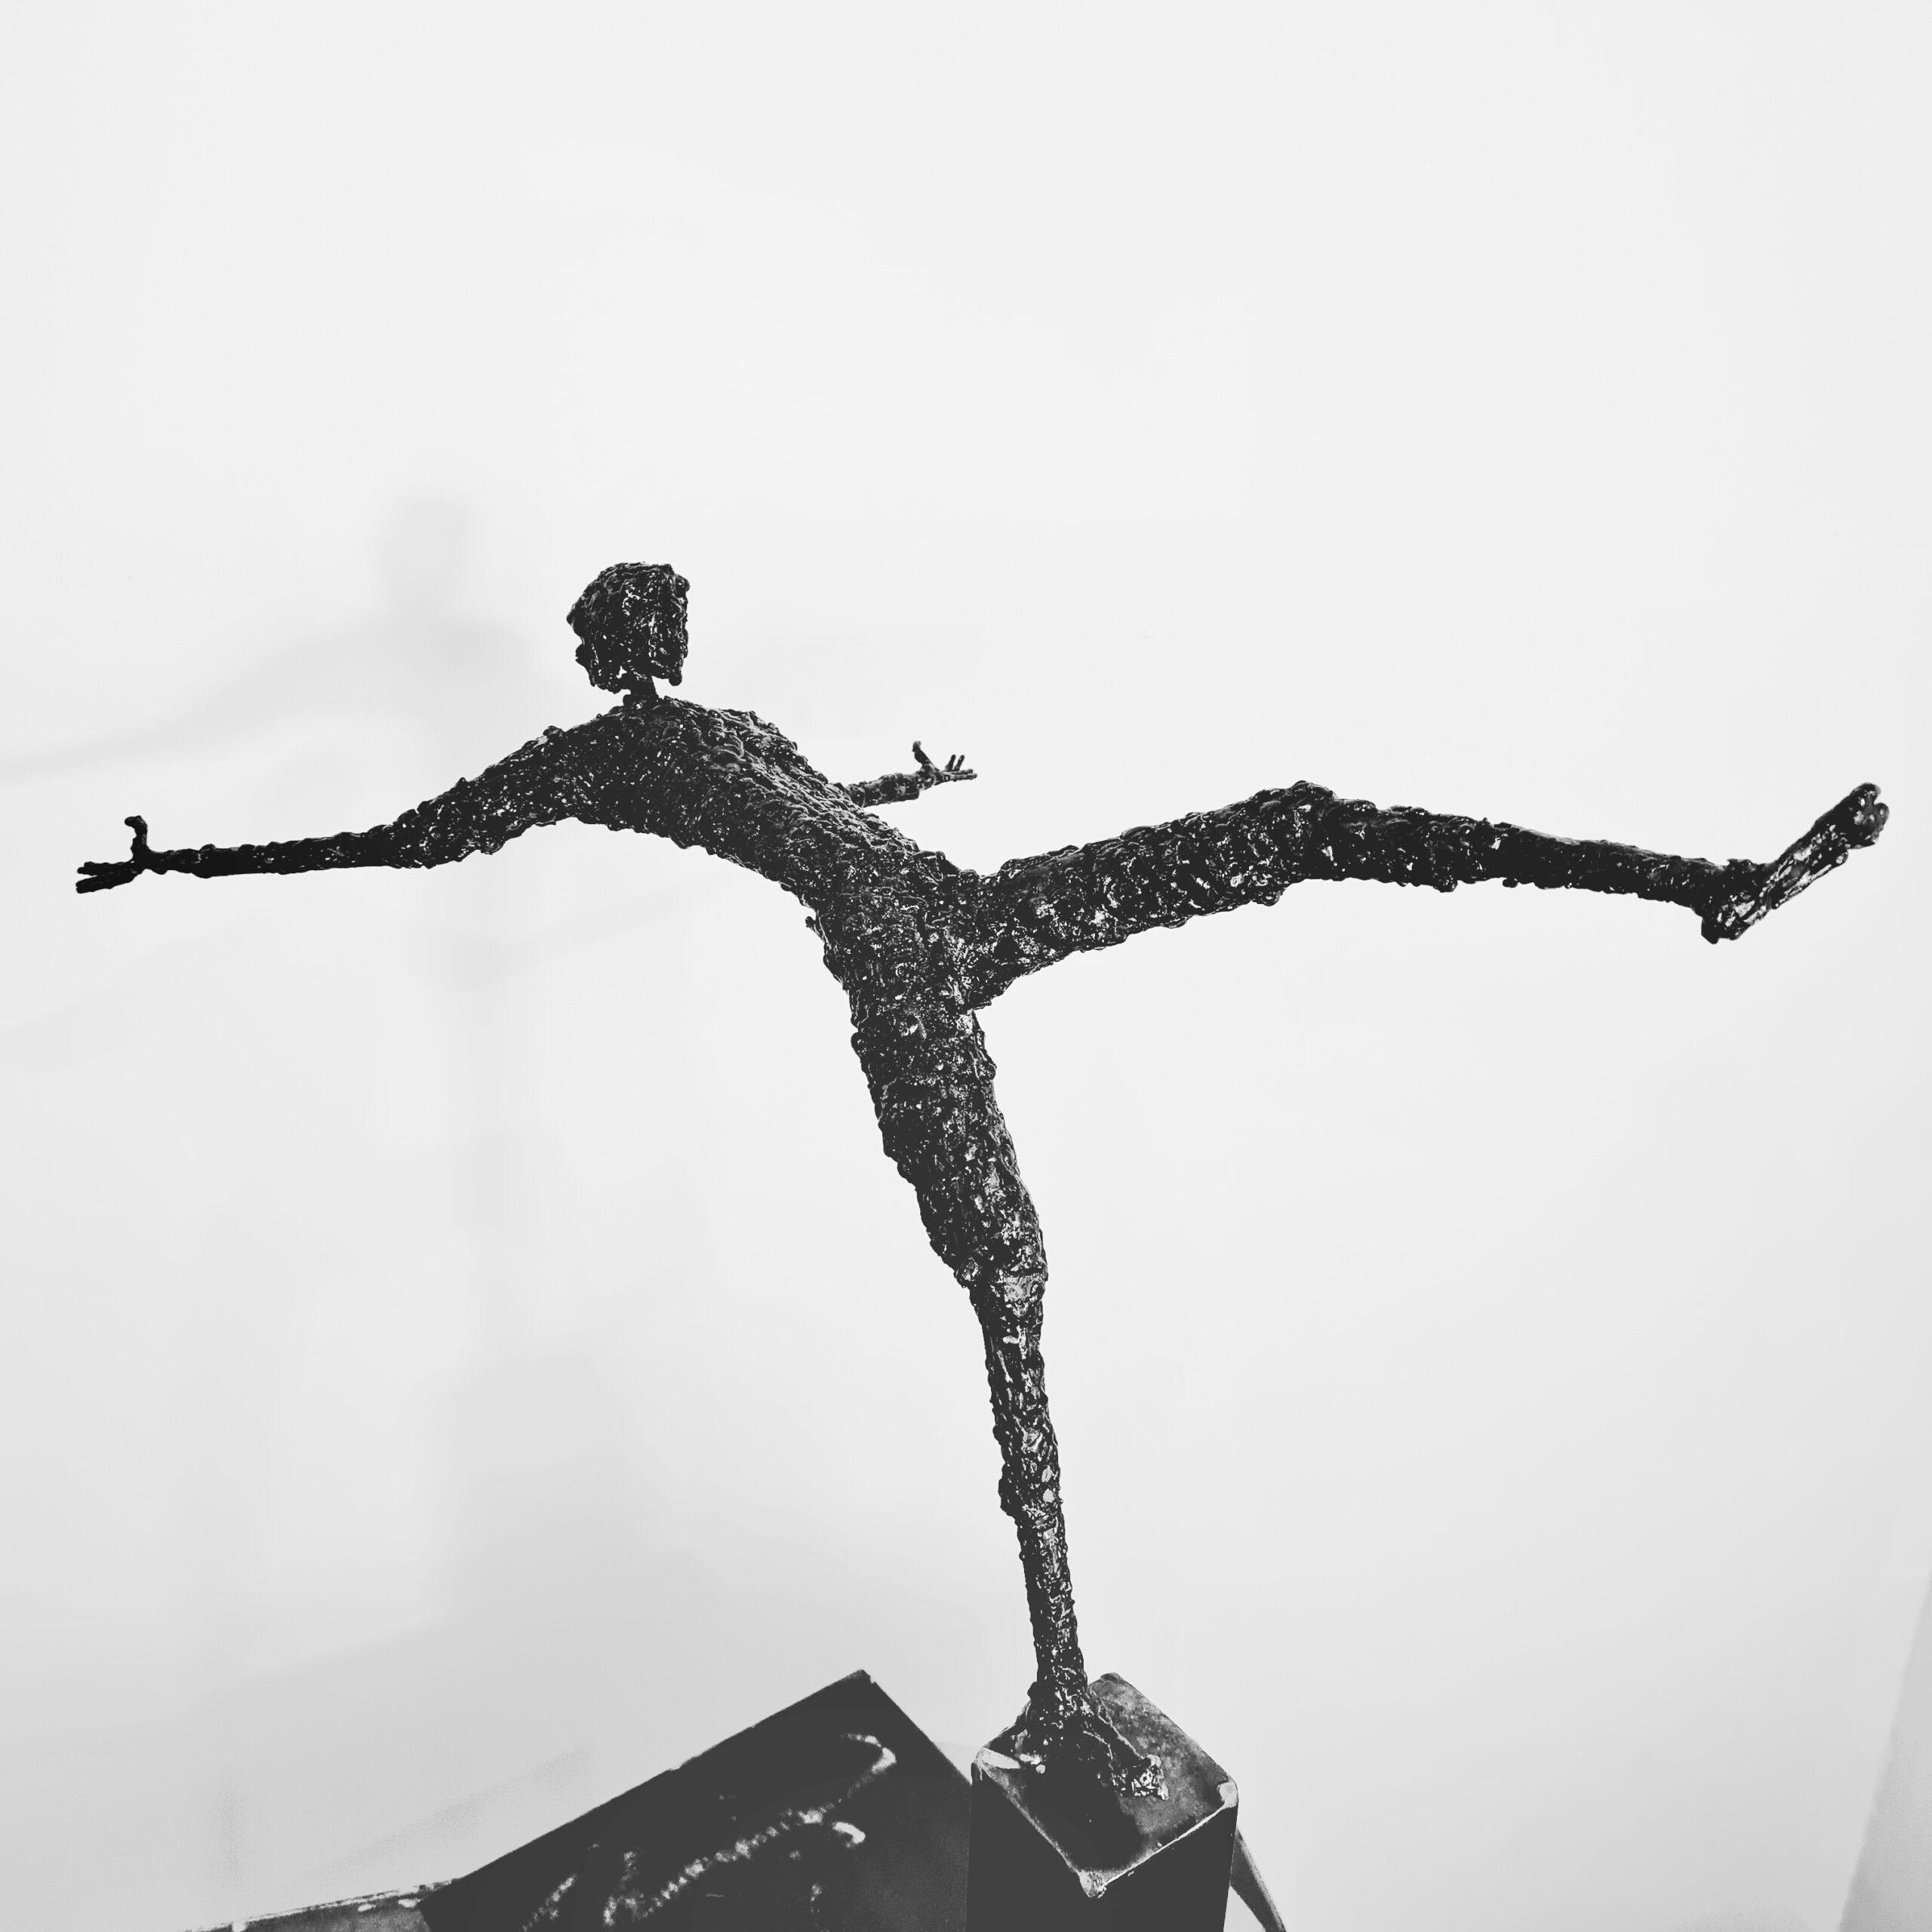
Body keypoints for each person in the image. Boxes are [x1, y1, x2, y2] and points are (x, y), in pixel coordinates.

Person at [77, 561, 1890, 1794]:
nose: (664, 623)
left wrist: (909, 783)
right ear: (615, 643)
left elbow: (812, 807)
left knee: (1295, 822)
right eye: (644, 609)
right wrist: (190, 863)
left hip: (960, 906)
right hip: (898, 974)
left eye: (662, 605)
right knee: (1008, 1285)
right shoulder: (596, 758)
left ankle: (1703, 881)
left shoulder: (729, 730)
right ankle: (1061, 1671)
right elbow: (415, 840)